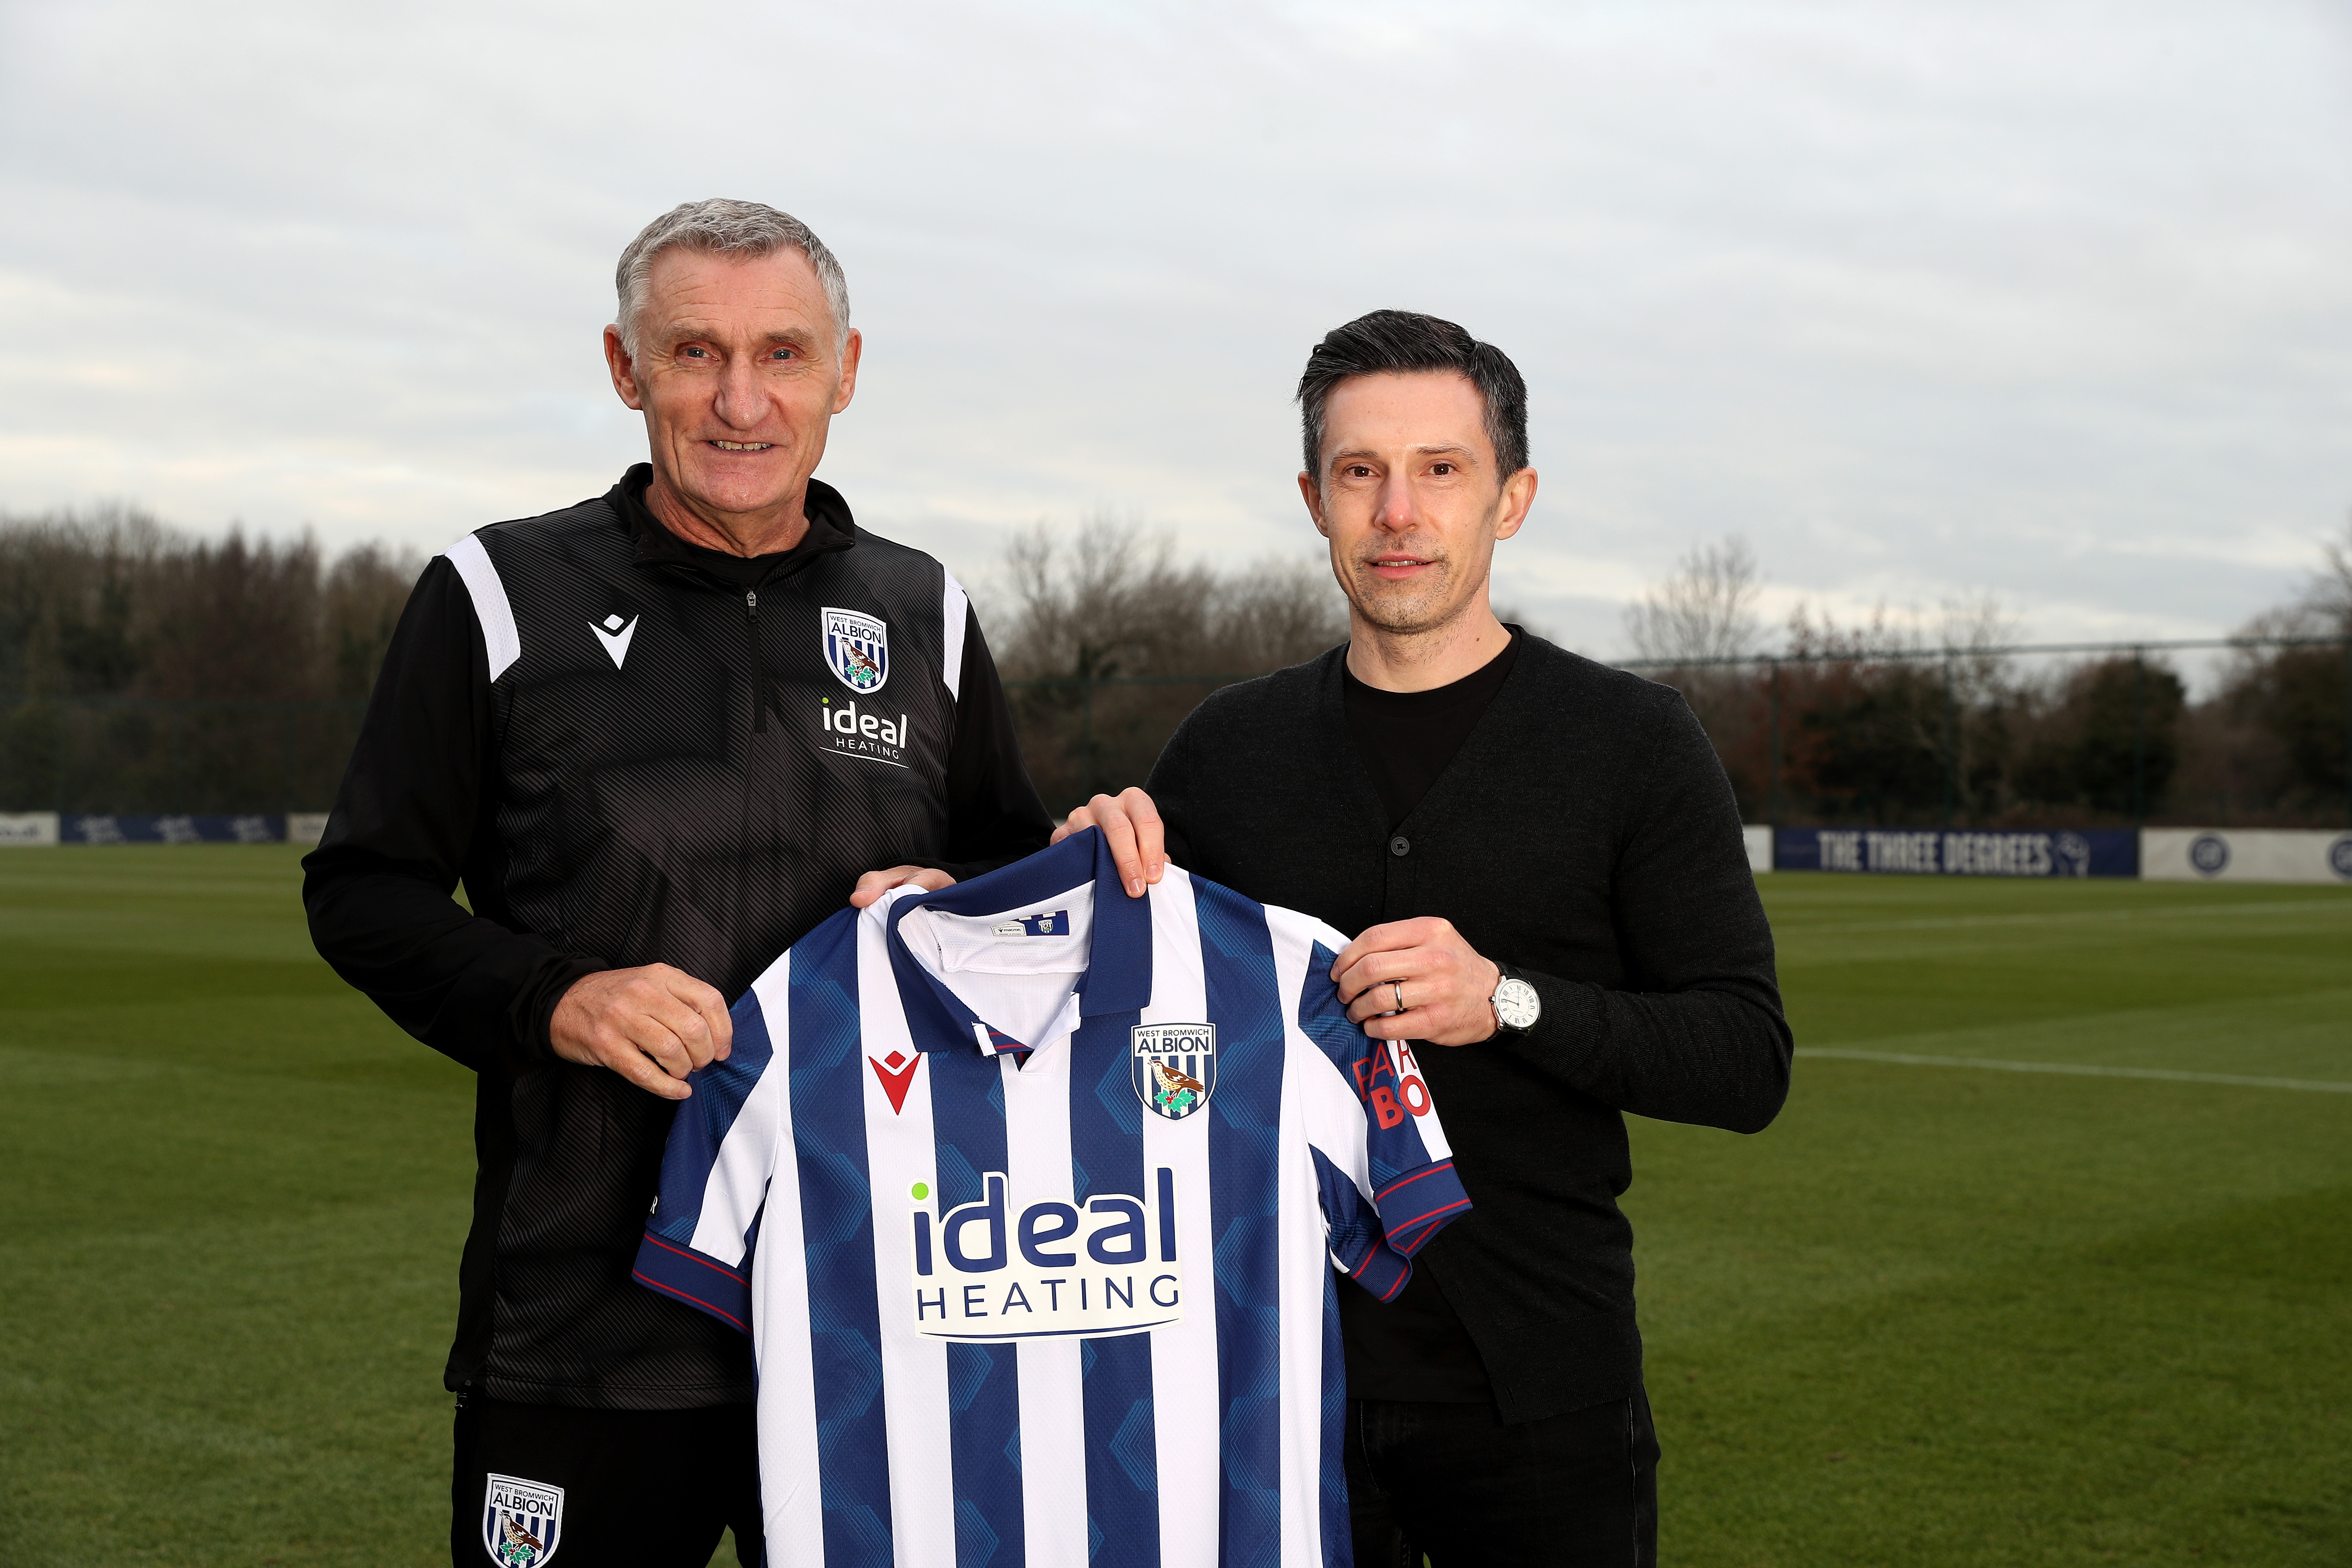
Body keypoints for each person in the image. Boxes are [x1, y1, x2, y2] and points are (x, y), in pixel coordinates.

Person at [303, 199, 1054, 1568]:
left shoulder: (922, 608)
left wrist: (956, 902)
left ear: (847, 368)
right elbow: (363, 890)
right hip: (586, 1326)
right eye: (695, 352)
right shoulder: (496, 591)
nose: (742, 399)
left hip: (878, 1319)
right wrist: (557, 997)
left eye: (783, 353)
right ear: (623, 365)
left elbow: (1013, 874)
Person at [1057, 310, 1792, 1567]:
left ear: (1511, 499)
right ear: (1314, 498)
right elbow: (1105, 1003)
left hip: (1540, 1392)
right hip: (1268, 1385)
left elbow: (1744, 1060)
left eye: (1440, 470)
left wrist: (1506, 999)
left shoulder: (1633, 741)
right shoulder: (1231, 750)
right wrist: (1079, 872)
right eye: (1361, 472)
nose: (1399, 512)